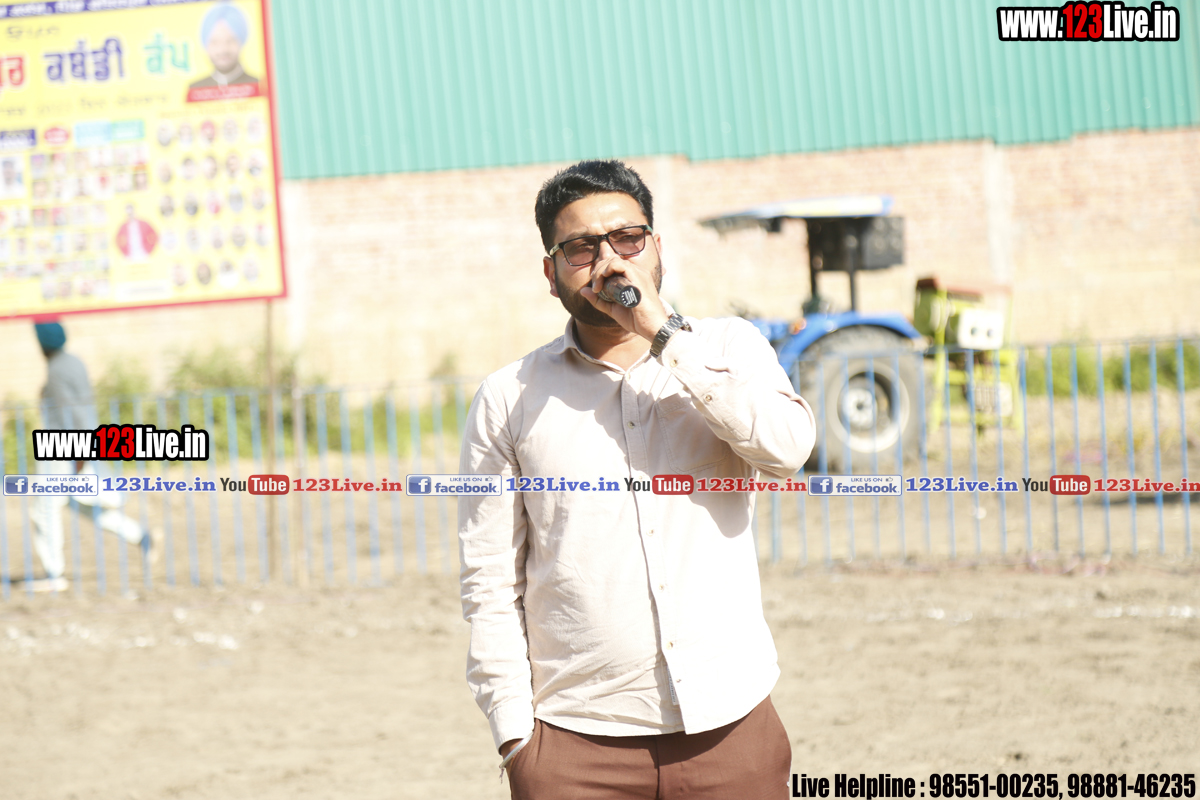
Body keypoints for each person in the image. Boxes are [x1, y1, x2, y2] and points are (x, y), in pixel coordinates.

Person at [458, 160, 817, 799]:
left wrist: (664, 336)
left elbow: (787, 449)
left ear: (657, 250)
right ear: (551, 273)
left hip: (732, 730)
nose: (608, 262)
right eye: (581, 248)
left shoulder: (727, 349)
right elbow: (490, 579)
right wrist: (517, 741)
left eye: (627, 239)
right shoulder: (507, 398)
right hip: (575, 746)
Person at [29, 321, 156, 592]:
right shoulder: (73, 362)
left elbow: (71, 412)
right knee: (81, 504)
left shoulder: (57, 370)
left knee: (44, 508)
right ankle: (141, 536)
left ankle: (54, 573)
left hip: (63, 448)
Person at [189, 2, 259, 90]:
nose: (223, 49)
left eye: (230, 41)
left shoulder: (258, 85)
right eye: (215, 42)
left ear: (241, 42)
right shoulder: (195, 89)